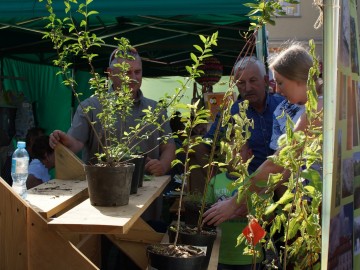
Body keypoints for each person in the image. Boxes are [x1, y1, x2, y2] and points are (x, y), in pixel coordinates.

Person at [202, 43, 323, 226]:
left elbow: (276, 163)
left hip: (318, 209)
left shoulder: (317, 111)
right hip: (306, 209)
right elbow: (284, 171)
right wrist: (248, 201)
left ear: (298, 78)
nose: (279, 90)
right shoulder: (304, 107)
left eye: (281, 82)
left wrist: (234, 203)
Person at [49, 47, 175, 176]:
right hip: (104, 189)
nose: (133, 78)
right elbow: (76, 142)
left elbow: (168, 146)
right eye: (126, 73)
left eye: (137, 72)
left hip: (148, 190)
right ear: (110, 73)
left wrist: (163, 166)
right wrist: (64, 141)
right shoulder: (90, 107)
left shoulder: (156, 109)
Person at [189, 56, 284, 193]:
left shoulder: (282, 105)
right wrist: (216, 181)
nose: (248, 88)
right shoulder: (230, 113)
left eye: (253, 80)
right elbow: (205, 145)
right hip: (249, 190)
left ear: (264, 81)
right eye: (241, 83)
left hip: (283, 186)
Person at [205, 141, 263, 270]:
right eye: (229, 151)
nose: (233, 155)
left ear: (249, 154)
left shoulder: (257, 182)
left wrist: (243, 213)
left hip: (249, 256)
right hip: (220, 253)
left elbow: (268, 217)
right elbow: (205, 213)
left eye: (238, 151)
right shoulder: (216, 180)